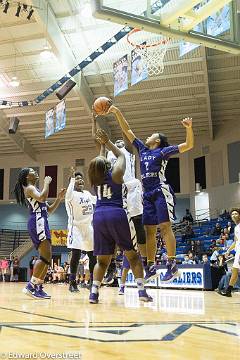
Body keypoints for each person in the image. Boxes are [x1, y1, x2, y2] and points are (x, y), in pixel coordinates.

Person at [107, 105, 194, 282]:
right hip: (147, 194)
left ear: (158, 140)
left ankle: (172, 264)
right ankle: (151, 266)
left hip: (160, 191)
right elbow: (127, 129)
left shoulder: (163, 151)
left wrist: (189, 129)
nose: (148, 135)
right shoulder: (143, 149)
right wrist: (116, 112)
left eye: (152, 135)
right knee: (149, 231)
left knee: (165, 227)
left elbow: (189, 145)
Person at [88, 129, 152, 304]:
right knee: (132, 256)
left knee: (102, 261)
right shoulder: (116, 174)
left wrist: (102, 146)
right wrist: (108, 142)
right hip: (116, 213)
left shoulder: (95, 179)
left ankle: (93, 293)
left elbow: (100, 160)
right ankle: (142, 292)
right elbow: (121, 155)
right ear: (108, 165)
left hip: (98, 216)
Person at [14, 167, 65, 299]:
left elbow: (49, 211)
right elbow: (42, 197)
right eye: (32, 170)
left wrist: (59, 198)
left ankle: (38, 287)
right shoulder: (30, 188)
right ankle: (30, 286)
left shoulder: (35, 190)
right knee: (44, 256)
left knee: (48, 257)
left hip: (42, 220)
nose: (35, 171)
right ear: (27, 177)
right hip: (37, 221)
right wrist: (47, 184)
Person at [65, 167, 97, 292]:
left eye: (81, 179)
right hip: (76, 227)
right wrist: (72, 178)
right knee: (76, 253)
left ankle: (92, 281)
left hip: (88, 226)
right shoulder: (71, 195)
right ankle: (72, 282)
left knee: (92, 254)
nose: (81, 180)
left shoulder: (87, 194)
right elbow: (68, 192)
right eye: (77, 179)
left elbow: (97, 199)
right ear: (72, 182)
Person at [219, 208, 240, 297]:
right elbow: (236, 242)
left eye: (236, 213)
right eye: (232, 214)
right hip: (238, 252)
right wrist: (228, 250)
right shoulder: (236, 227)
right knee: (234, 271)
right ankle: (228, 291)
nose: (234, 215)